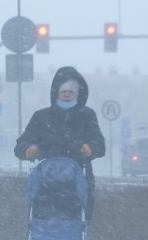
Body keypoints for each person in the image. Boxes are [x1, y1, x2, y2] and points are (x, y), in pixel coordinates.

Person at [14, 66, 105, 219]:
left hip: (78, 183)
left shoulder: (87, 116)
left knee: (77, 224)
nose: (67, 94)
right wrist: (28, 150)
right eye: (63, 91)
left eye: (71, 91)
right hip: (45, 185)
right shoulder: (41, 117)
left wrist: (89, 149)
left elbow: (99, 146)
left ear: (78, 93)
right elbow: (21, 145)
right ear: (56, 93)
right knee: (41, 224)